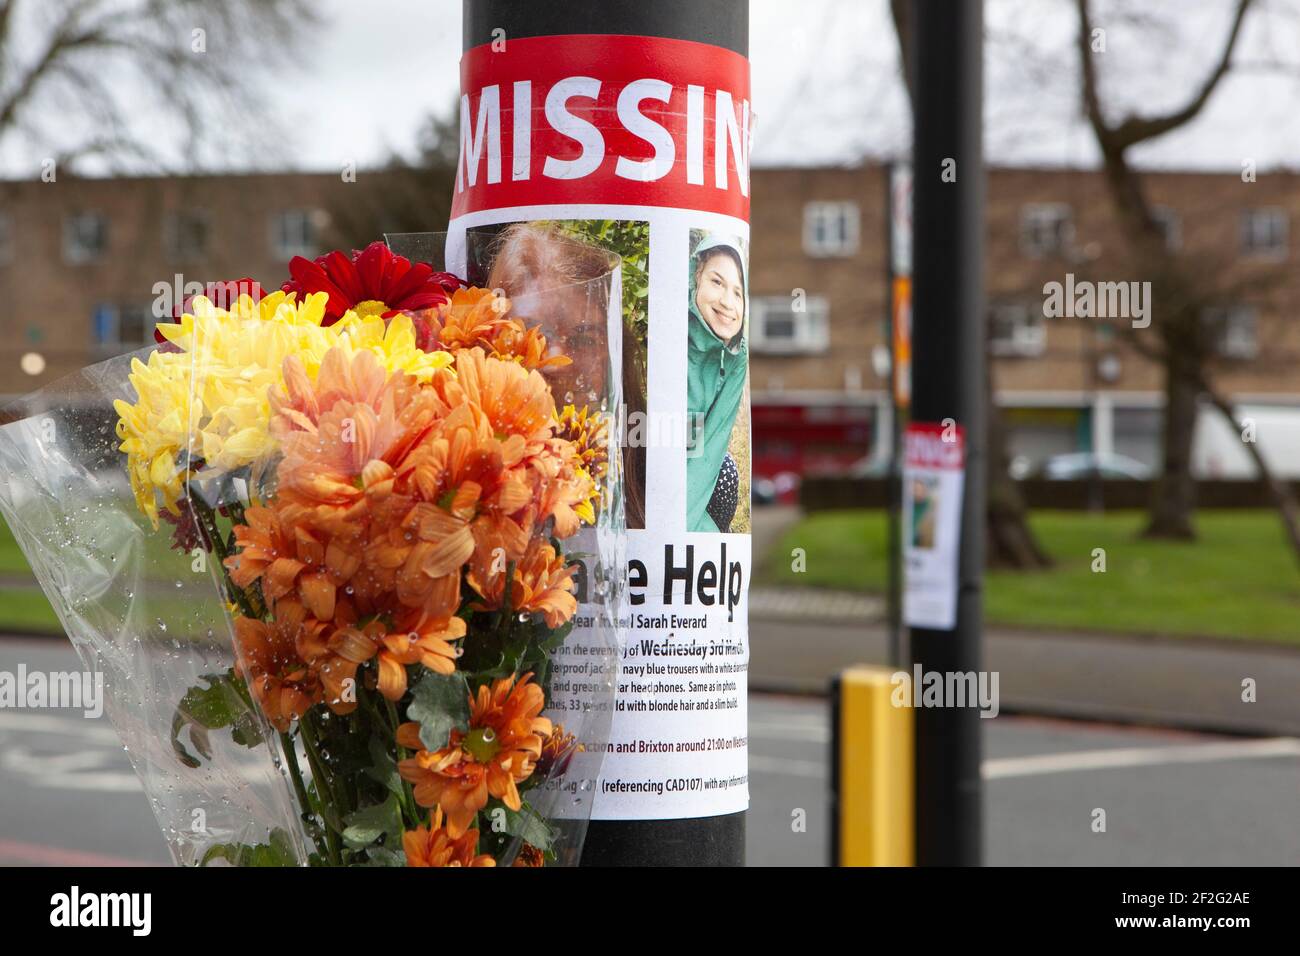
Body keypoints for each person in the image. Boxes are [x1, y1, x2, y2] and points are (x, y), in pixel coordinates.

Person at [485, 223, 648, 529]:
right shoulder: (469, 483)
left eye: (585, 337)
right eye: (532, 334)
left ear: (615, 352)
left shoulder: (664, 471)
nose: (556, 362)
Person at [686, 234, 747, 533]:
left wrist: (683, 531)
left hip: (696, 466)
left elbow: (708, 452)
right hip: (647, 453)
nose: (727, 302)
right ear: (697, 276)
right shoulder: (668, 324)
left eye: (738, 292)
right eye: (717, 282)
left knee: (725, 471)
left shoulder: (737, 357)